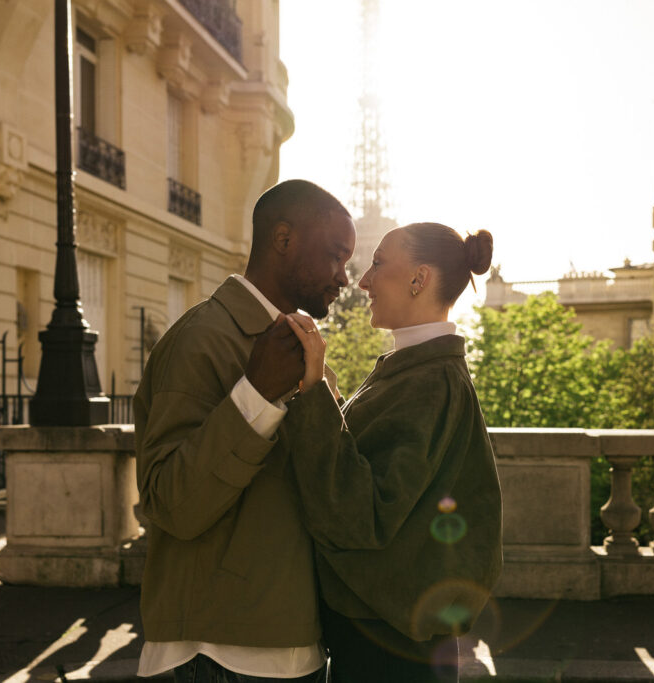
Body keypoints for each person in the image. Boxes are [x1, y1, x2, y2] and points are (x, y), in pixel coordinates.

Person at [133, 179, 355, 682]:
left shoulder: (299, 349)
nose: (344, 277)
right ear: (283, 240)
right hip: (215, 658)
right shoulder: (201, 340)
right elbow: (170, 502)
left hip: (294, 645)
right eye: (336, 256)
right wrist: (255, 395)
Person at [282, 223, 503, 683]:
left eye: (378, 264)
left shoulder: (428, 382)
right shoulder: (417, 371)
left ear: (418, 279)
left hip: (387, 646)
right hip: (389, 635)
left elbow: (359, 514)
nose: (361, 281)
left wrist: (316, 393)